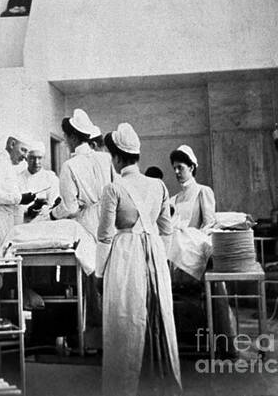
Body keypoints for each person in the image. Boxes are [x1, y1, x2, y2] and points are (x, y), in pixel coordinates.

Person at [96, 123, 181, 396]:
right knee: (155, 314)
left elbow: (106, 237)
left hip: (125, 257)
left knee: (126, 317)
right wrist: (160, 263)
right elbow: (167, 230)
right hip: (154, 255)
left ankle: (125, 387)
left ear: (118, 157)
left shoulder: (113, 188)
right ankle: (157, 381)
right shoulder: (158, 185)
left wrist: (99, 274)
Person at [50, 108, 113, 350]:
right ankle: (113, 337)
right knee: (110, 278)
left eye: (67, 137)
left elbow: (70, 206)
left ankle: (90, 338)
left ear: (74, 137)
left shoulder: (70, 165)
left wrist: (54, 214)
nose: (66, 142)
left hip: (86, 223)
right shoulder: (106, 159)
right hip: (109, 220)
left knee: (88, 281)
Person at [169, 145, 236, 356]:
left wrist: (188, 234)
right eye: (175, 169)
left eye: (180, 167)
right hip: (177, 251)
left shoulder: (202, 192)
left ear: (192, 167)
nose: (177, 172)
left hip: (195, 247)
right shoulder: (175, 199)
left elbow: (209, 225)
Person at [0, 135, 36, 254]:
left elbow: (9, 200)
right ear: (12, 144)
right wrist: (19, 198)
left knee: (4, 265)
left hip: (6, 225)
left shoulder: (8, 167)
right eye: (23, 150)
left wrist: (26, 206)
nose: (25, 157)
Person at [18, 141, 60, 222]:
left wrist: (43, 207)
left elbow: (54, 205)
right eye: (32, 158)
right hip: (23, 224)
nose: (36, 162)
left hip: (44, 224)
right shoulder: (18, 179)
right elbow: (15, 205)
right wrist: (28, 210)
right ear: (26, 158)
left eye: (39, 158)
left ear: (43, 158)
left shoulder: (51, 178)